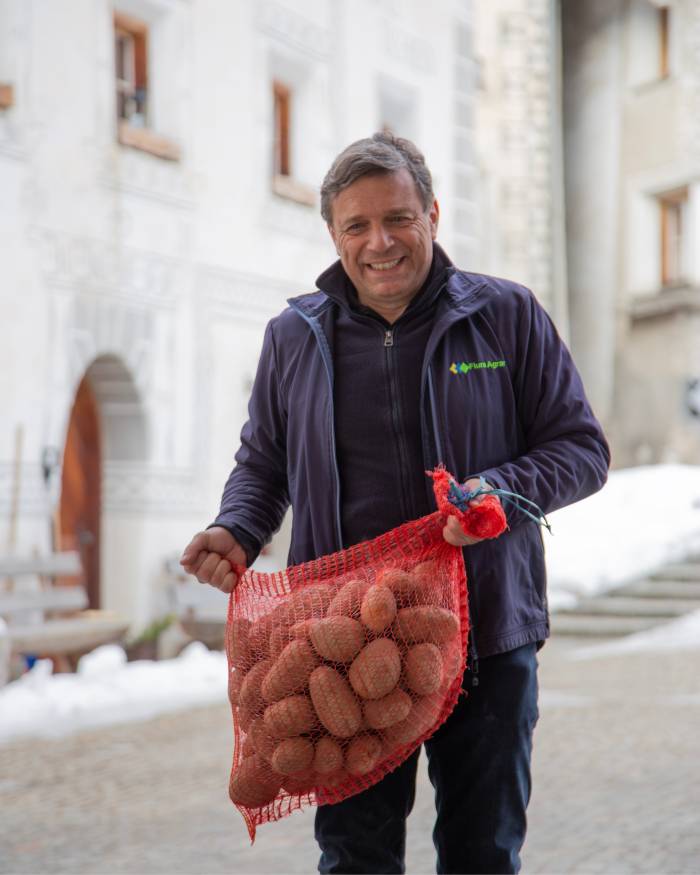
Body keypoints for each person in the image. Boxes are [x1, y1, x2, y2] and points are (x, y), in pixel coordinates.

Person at [180, 132, 610, 874]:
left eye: (398, 219)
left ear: (432, 215)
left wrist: (500, 494)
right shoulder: (294, 337)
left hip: (485, 632)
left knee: (483, 854)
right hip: (341, 648)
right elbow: (264, 463)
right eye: (358, 225)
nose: (380, 242)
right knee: (355, 859)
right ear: (334, 234)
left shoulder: (506, 315)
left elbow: (581, 449)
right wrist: (237, 527)